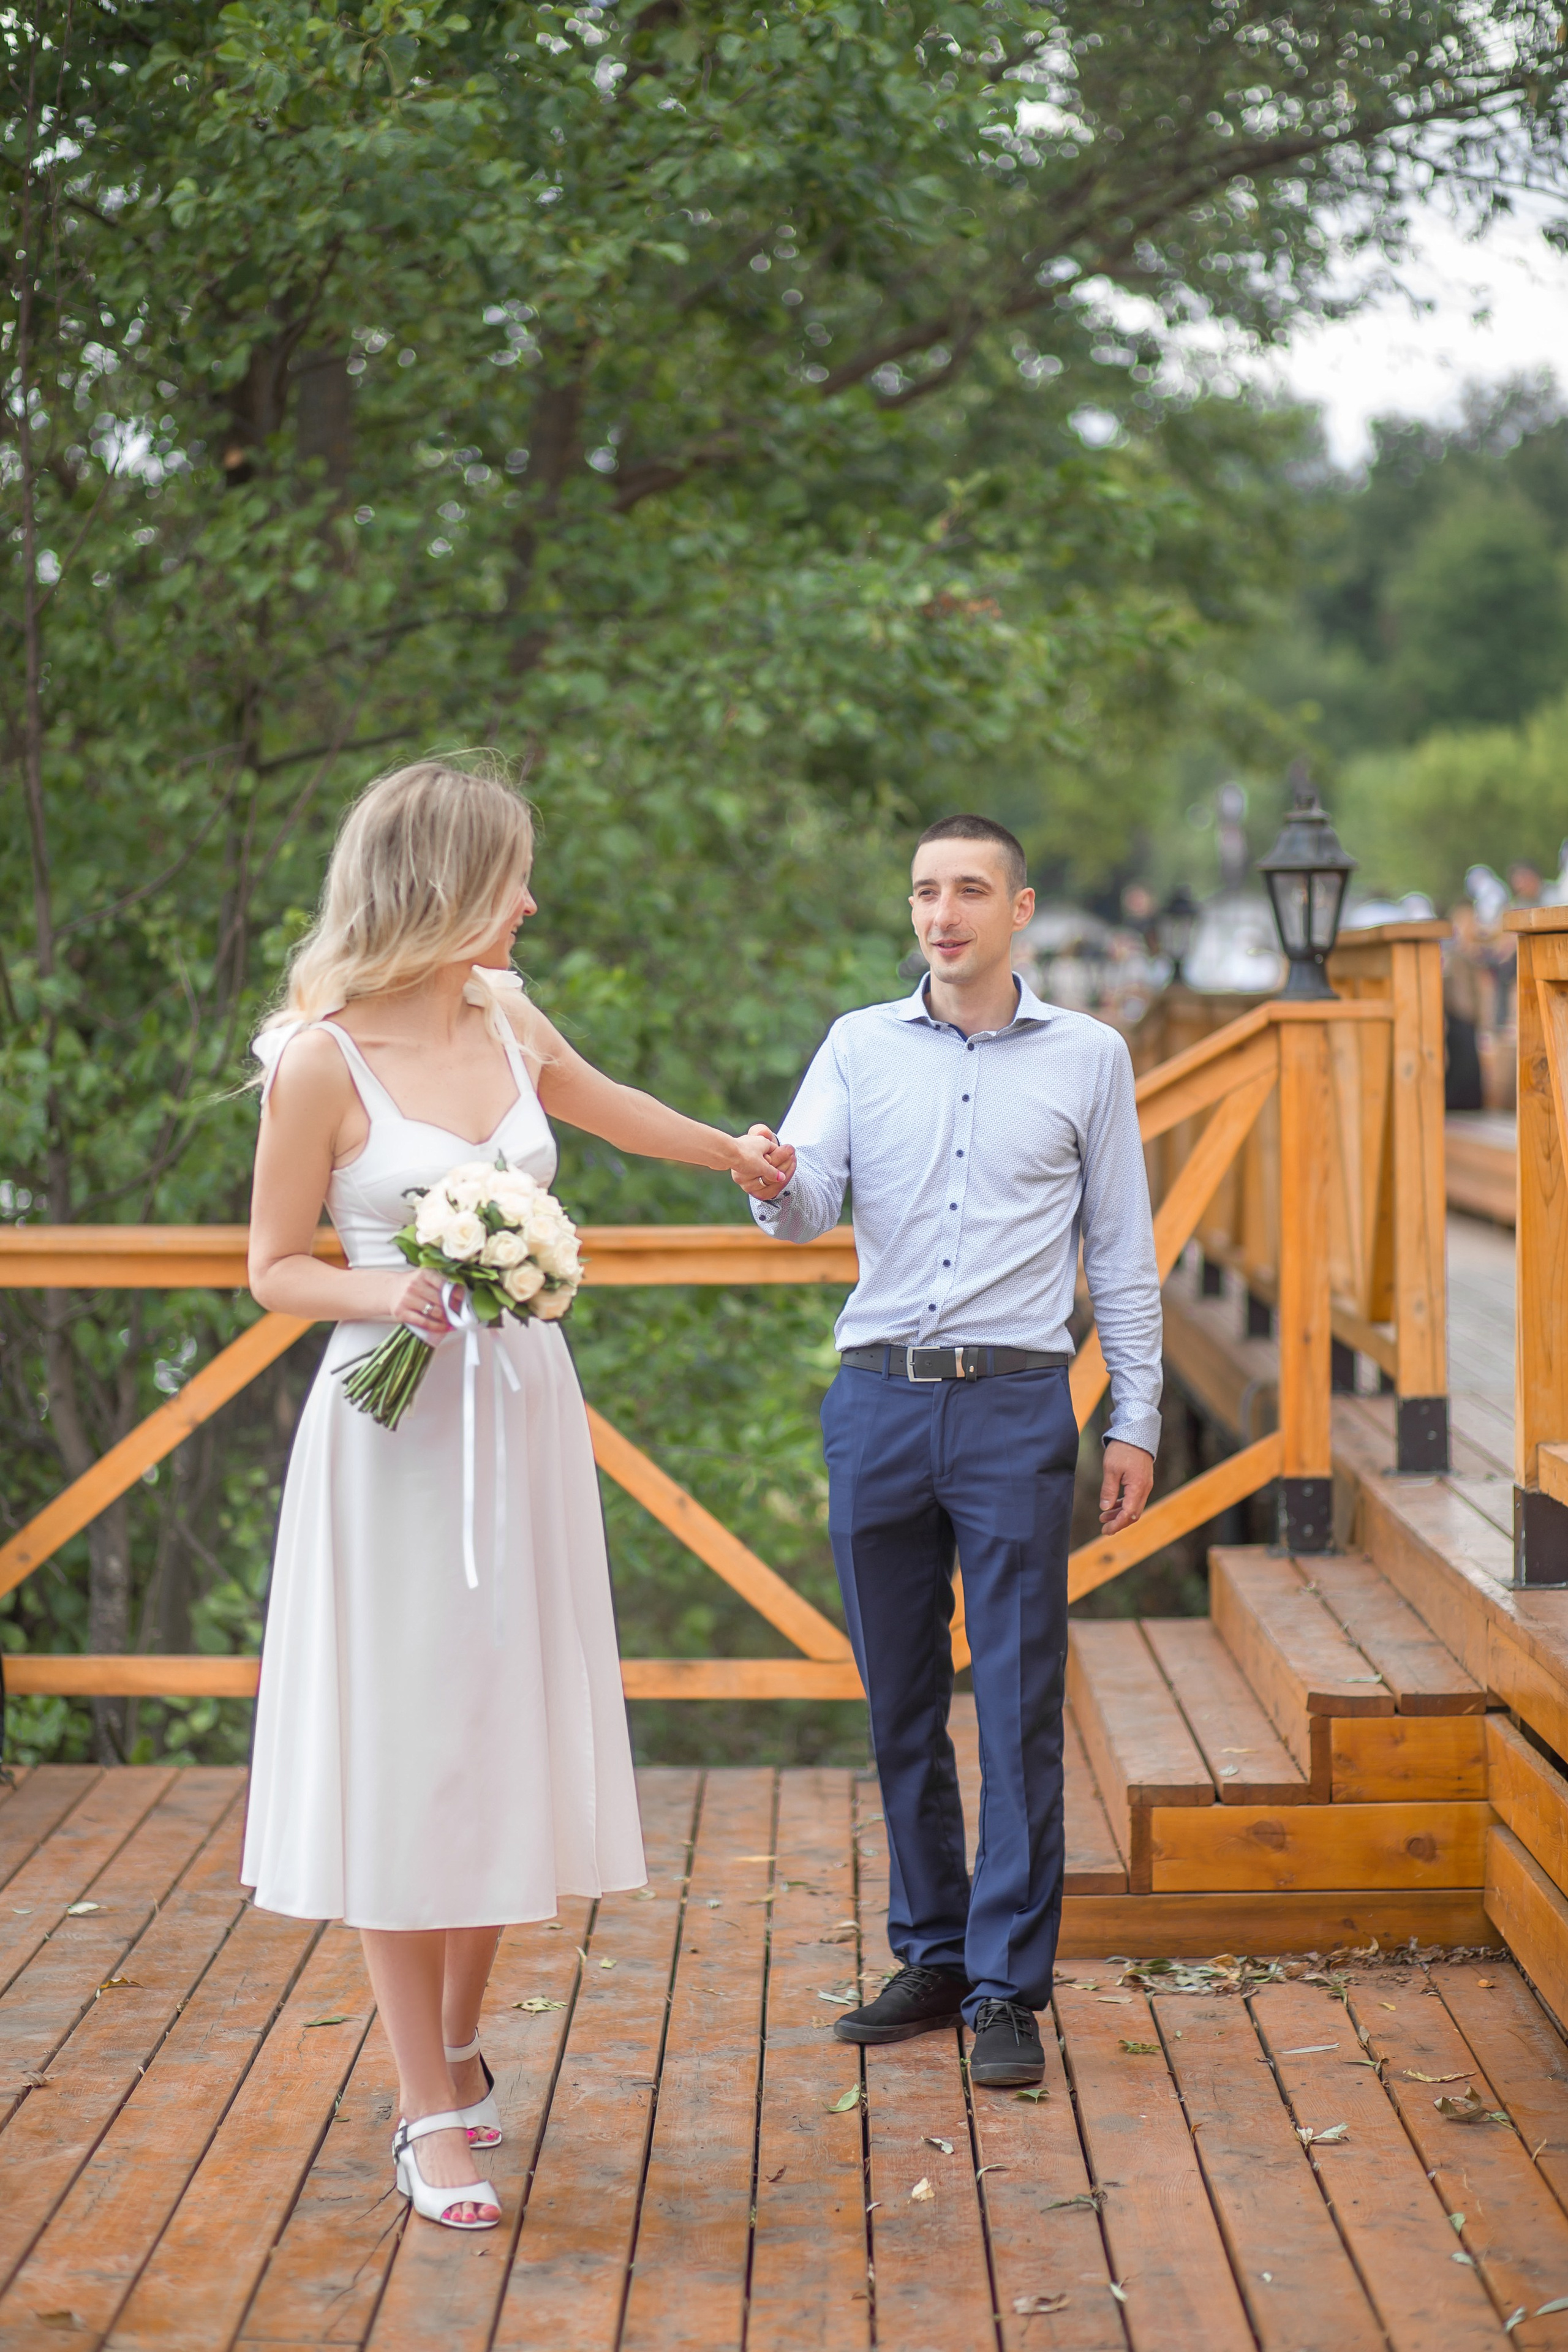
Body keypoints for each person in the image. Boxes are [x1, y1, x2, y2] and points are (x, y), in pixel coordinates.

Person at [243, 760, 792, 2230]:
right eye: (512, 879)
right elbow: (272, 1266)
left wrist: (732, 1151)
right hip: (391, 1439)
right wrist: (392, 1289)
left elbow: (599, 1106)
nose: (531, 904)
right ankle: (429, 2109)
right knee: (403, 1748)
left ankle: (462, 2038)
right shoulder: (318, 1062)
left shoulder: (503, 1010)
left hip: (522, 1419)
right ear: (442, 887)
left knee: (499, 1733)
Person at [744, 815, 1159, 2088]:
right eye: (925, 891)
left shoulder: (1088, 1058)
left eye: (968, 890)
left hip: (1016, 1407)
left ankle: (1005, 1989)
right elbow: (801, 1207)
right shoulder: (857, 1047)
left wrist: (1133, 1416)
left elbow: (1121, 1256)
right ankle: (930, 1952)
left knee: (1020, 1704)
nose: (942, 912)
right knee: (898, 1700)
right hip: (874, 1401)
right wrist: (768, 1176)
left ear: (1018, 908)